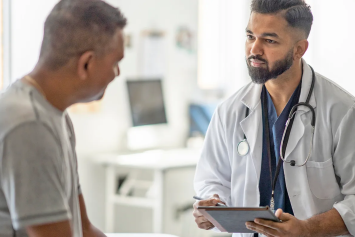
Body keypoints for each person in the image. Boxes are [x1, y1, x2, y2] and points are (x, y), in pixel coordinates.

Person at [193, 0, 355, 236]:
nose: (254, 50)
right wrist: (211, 206)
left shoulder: (342, 111)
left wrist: (308, 229)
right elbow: (212, 179)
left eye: (269, 41)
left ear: (299, 49)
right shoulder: (230, 111)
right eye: (250, 36)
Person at [0, 0, 126, 236]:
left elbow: (84, 228)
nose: (116, 74)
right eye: (115, 63)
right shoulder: (28, 123)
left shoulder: (57, 115)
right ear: (86, 63)